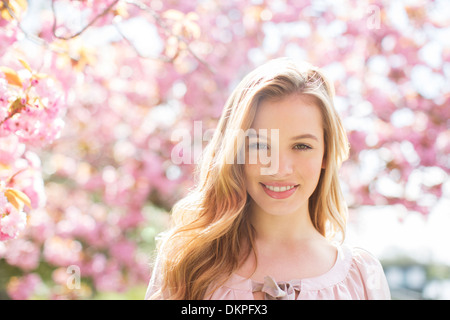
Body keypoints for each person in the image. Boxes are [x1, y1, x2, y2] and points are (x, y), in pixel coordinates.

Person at [145, 57, 391, 300]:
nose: (280, 168)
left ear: (326, 154)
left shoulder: (360, 277)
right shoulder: (188, 265)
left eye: (302, 146)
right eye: (260, 145)